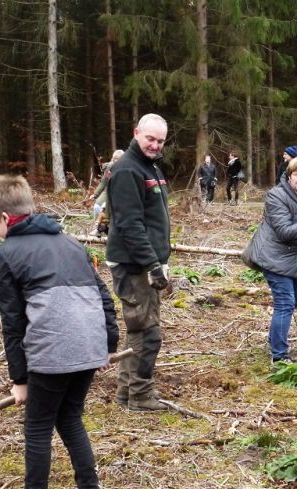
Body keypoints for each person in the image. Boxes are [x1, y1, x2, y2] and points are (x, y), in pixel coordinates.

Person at [0, 175, 119, 489]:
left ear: (6, 218)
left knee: (38, 427)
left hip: (54, 350)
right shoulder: (70, 243)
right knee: (70, 418)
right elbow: (103, 296)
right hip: (89, 344)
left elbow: (12, 323)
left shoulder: (6, 253)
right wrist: (108, 345)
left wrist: (20, 380)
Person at [106, 113, 172, 411]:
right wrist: (152, 264)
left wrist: (160, 260)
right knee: (148, 332)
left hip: (146, 262)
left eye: (160, 141)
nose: (155, 145)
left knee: (139, 329)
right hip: (134, 265)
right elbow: (130, 225)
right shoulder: (127, 171)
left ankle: (126, 393)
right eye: (150, 138)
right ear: (136, 133)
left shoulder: (150, 167)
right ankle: (141, 395)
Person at [245, 156, 297, 363]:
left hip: (293, 258)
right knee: (285, 303)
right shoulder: (276, 196)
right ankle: (279, 357)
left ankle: (274, 341)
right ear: (289, 176)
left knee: (292, 302)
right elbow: (284, 231)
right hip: (273, 255)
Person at [89, 149, 124, 234]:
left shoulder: (127, 169)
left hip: (121, 193)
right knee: (97, 206)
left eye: (119, 159)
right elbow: (103, 182)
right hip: (108, 191)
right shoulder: (109, 168)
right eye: (115, 159)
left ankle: (113, 229)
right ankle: (99, 228)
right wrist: (95, 194)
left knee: (112, 209)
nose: (116, 161)